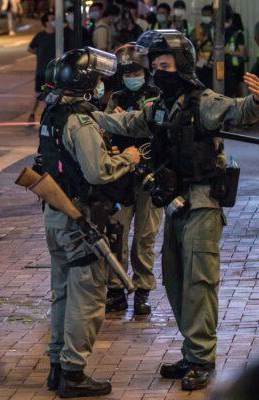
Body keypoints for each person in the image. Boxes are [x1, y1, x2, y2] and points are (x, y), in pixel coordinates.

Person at [92, 29, 259, 391]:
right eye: (154, 67)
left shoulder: (204, 101)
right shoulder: (160, 106)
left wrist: (258, 100)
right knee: (174, 279)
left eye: (165, 65)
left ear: (181, 65)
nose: (157, 73)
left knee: (199, 282)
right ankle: (192, 349)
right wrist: (87, 114)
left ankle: (201, 357)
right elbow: (127, 122)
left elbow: (240, 111)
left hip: (201, 204)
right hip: (174, 205)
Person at [39, 47, 141, 397]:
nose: (101, 86)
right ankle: (74, 372)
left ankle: (57, 365)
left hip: (57, 215)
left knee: (63, 294)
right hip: (80, 219)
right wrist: (128, 158)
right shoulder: (79, 123)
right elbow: (98, 172)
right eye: (98, 80)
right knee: (87, 297)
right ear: (86, 83)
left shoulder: (52, 113)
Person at [104, 43, 161, 315]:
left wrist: (124, 120)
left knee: (145, 238)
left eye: (136, 71)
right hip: (121, 175)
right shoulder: (115, 97)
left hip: (152, 176)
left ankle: (142, 290)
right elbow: (106, 130)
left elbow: (157, 127)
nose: (132, 76)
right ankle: (116, 289)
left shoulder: (158, 96)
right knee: (116, 234)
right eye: (127, 72)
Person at [27, 11, 55, 123]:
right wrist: (39, 53)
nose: (55, 21)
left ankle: (51, 114)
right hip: (42, 71)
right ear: (46, 23)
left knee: (54, 92)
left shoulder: (59, 35)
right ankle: (31, 113)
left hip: (55, 71)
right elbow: (30, 48)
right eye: (52, 19)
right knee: (39, 92)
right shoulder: (40, 36)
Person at [224, 7, 245, 98]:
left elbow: (241, 53)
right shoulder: (222, 33)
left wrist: (227, 51)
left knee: (238, 90)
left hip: (236, 68)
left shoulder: (238, 34)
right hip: (226, 67)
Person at [192, 5, 214, 89]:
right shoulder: (198, 28)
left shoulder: (215, 28)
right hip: (200, 64)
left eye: (208, 15)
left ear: (212, 15)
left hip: (212, 63)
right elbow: (195, 44)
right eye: (204, 15)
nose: (206, 17)